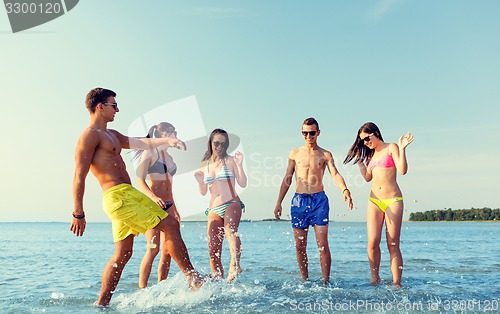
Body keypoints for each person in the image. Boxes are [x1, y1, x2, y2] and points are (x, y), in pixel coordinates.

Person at [70, 88, 204, 306]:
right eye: (114, 105)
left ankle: (101, 304)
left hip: (127, 195)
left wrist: (167, 142)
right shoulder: (89, 136)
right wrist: (78, 212)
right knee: (170, 224)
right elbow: (79, 175)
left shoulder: (112, 134)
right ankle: (193, 279)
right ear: (100, 107)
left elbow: (142, 142)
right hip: (117, 196)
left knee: (123, 254)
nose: (118, 109)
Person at [274, 117, 353, 284]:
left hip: (319, 201)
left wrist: (345, 190)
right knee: (299, 246)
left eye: (311, 133)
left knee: (322, 244)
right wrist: (278, 202)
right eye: (305, 133)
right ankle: (305, 280)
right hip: (299, 201)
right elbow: (287, 178)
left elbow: (335, 174)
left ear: (318, 133)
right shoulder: (294, 154)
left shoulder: (325, 154)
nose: (308, 136)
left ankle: (325, 281)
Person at [343, 122, 414, 287]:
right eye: (363, 141)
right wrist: (360, 162)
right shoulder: (371, 155)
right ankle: (375, 279)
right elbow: (368, 178)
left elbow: (402, 170)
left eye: (367, 138)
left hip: (393, 200)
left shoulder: (391, 147)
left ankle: (397, 283)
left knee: (393, 243)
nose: (366, 143)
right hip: (374, 201)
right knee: (372, 241)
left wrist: (402, 149)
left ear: (375, 133)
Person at [194, 129, 247, 283]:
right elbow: (204, 192)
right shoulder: (205, 164)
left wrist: (240, 165)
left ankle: (235, 265)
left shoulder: (231, 161)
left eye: (223, 144)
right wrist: (199, 181)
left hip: (232, 203)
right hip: (213, 209)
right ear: (211, 143)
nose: (219, 146)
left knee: (231, 231)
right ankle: (219, 281)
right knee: (213, 249)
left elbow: (243, 182)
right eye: (216, 143)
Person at [133, 122, 182, 289]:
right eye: (172, 133)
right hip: (153, 206)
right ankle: (142, 289)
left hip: (169, 205)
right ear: (164, 135)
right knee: (153, 249)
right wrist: (153, 197)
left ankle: (161, 286)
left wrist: (174, 208)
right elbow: (140, 180)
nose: (175, 136)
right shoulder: (150, 152)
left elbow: (170, 186)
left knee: (167, 251)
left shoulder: (169, 157)